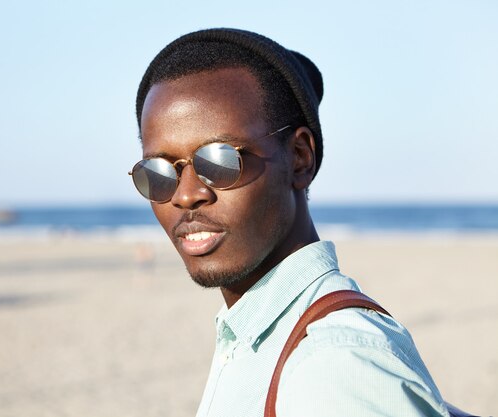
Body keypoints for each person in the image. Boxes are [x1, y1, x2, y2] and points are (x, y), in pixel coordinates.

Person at [129, 28, 449, 417]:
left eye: (219, 160)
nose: (185, 194)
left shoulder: (334, 365)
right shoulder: (248, 337)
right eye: (158, 172)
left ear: (299, 158)